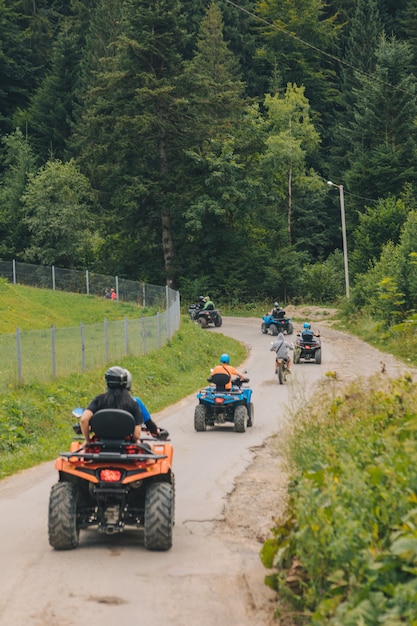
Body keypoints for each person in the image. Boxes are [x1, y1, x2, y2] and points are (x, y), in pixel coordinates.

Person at [80, 366, 143, 445]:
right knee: (149, 447)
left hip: (100, 447)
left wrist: (87, 440)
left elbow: (84, 420)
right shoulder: (133, 404)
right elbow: (136, 435)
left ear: (107, 383)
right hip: (124, 447)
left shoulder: (99, 400)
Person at [124, 368, 168, 439]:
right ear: (129, 384)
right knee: (150, 448)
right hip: (127, 442)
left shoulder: (99, 401)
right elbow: (149, 423)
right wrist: (155, 431)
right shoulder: (136, 401)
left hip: (102, 445)